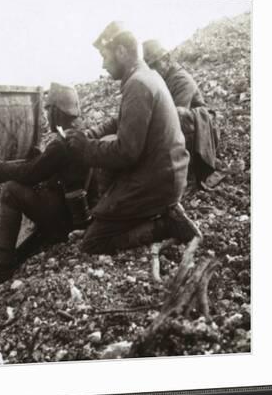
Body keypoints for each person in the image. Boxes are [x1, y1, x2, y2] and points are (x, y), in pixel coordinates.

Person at [65, 21, 201, 256]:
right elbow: (121, 123)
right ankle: (113, 219)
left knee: (92, 245)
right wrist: (91, 135)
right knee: (106, 143)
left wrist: (86, 149)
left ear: (120, 51)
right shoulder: (143, 77)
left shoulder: (138, 84)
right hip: (164, 173)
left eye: (104, 55)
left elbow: (126, 153)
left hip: (159, 181)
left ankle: (164, 225)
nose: (103, 64)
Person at [0, 83, 92, 293]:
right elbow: (52, 167)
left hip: (65, 220)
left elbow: (30, 175)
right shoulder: (79, 132)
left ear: (56, 111)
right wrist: (42, 158)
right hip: (77, 211)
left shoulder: (61, 143)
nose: (46, 116)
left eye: (48, 110)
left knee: (10, 190)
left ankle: (0, 271)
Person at [143, 39, 219, 187]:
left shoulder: (181, 80)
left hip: (200, 131)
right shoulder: (162, 79)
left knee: (178, 116)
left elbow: (174, 117)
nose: (153, 70)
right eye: (150, 66)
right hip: (182, 130)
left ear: (167, 59)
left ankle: (183, 167)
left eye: (155, 64)